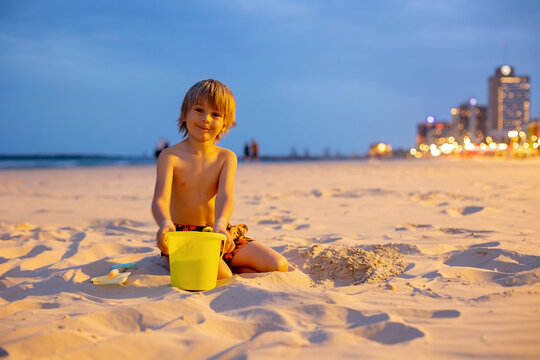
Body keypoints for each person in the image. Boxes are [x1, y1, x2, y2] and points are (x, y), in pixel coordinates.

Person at [151, 79, 288, 279]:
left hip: (218, 232)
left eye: (215, 114)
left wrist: (221, 223)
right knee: (221, 274)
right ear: (184, 113)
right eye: (199, 110)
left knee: (278, 264)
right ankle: (178, 260)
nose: (206, 119)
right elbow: (160, 199)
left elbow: (226, 196)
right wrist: (164, 223)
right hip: (183, 236)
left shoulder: (226, 157)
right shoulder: (170, 156)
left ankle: (223, 263)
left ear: (226, 122)